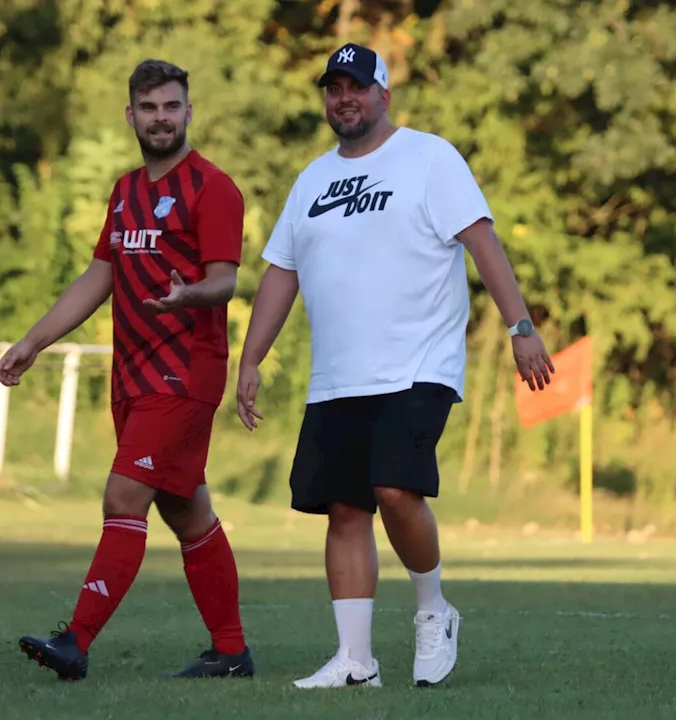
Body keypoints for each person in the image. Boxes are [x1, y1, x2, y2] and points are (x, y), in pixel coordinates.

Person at [235, 43, 555, 689]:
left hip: (417, 365)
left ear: (383, 93)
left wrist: (521, 327)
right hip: (337, 374)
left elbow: (481, 241)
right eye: (333, 88)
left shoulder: (429, 157)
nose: (344, 98)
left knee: (393, 489)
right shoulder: (311, 180)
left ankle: (434, 609)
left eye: (356, 86)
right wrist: (250, 359)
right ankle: (356, 662)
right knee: (345, 509)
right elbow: (281, 273)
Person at [0, 59, 255, 682]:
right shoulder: (125, 191)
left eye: (171, 106)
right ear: (131, 115)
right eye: (149, 108)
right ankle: (231, 651)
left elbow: (224, 280)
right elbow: (100, 276)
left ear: (189, 112)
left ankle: (76, 642)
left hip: (185, 375)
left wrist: (186, 295)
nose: (160, 118)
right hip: (133, 378)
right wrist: (36, 340)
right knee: (186, 510)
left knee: (123, 495)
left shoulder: (212, 188)